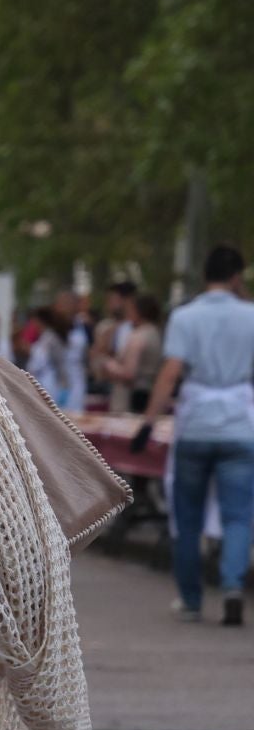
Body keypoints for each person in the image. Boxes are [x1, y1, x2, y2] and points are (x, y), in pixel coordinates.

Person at [134, 245, 254, 626]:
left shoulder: (185, 317)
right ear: (236, 277)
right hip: (239, 424)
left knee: (188, 519)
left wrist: (149, 422)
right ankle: (233, 585)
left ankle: (191, 599)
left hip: (197, 425)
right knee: (238, 516)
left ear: (205, 276)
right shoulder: (251, 316)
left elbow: (170, 374)